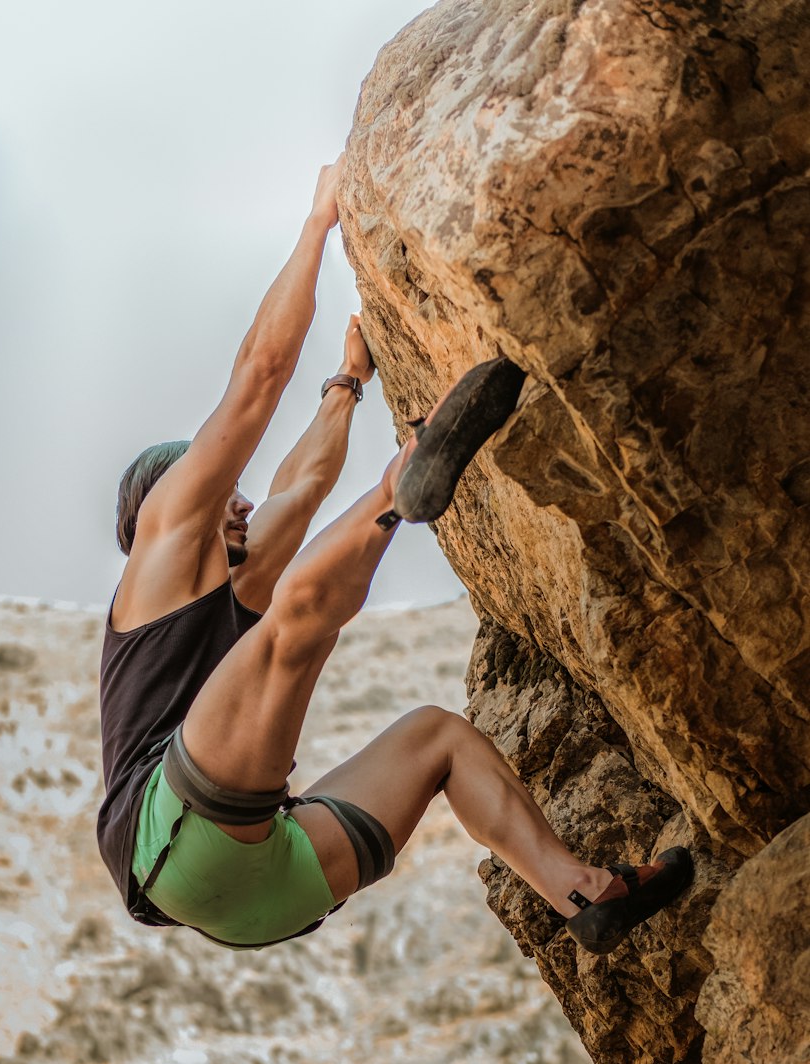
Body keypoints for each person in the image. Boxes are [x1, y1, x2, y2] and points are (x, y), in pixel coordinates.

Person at [96, 158, 692, 953]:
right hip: (166, 828)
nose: (238, 498)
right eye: (220, 487)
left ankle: (580, 892)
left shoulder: (231, 571)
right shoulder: (164, 544)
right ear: (167, 505)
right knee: (295, 619)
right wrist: (317, 224)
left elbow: (302, 484)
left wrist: (350, 376)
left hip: (257, 894)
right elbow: (258, 378)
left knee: (439, 738)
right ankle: (399, 487)